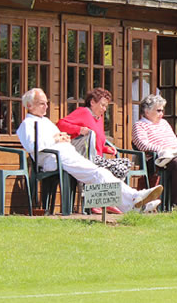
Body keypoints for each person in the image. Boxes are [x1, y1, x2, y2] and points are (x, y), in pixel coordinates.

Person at [16, 88, 163, 213]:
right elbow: (32, 146)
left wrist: (63, 138)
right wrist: (57, 139)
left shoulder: (45, 122)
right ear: (29, 105)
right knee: (98, 173)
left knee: (101, 173)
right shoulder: (27, 124)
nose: (46, 107)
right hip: (54, 160)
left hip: (68, 154)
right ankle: (135, 199)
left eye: (46, 103)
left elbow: (58, 136)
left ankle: (135, 201)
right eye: (41, 104)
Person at [56, 87, 133, 182]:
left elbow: (97, 143)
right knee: (119, 168)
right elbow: (60, 124)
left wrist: (106, 149)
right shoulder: (84, 112)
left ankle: (108, 193)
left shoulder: (99, 118)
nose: (104, 109)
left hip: (97, 159)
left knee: (126, 163)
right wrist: (79, 129)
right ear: (92, 102)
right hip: (86, 160)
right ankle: (110, 193)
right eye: (102, 105)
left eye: (106, 106)